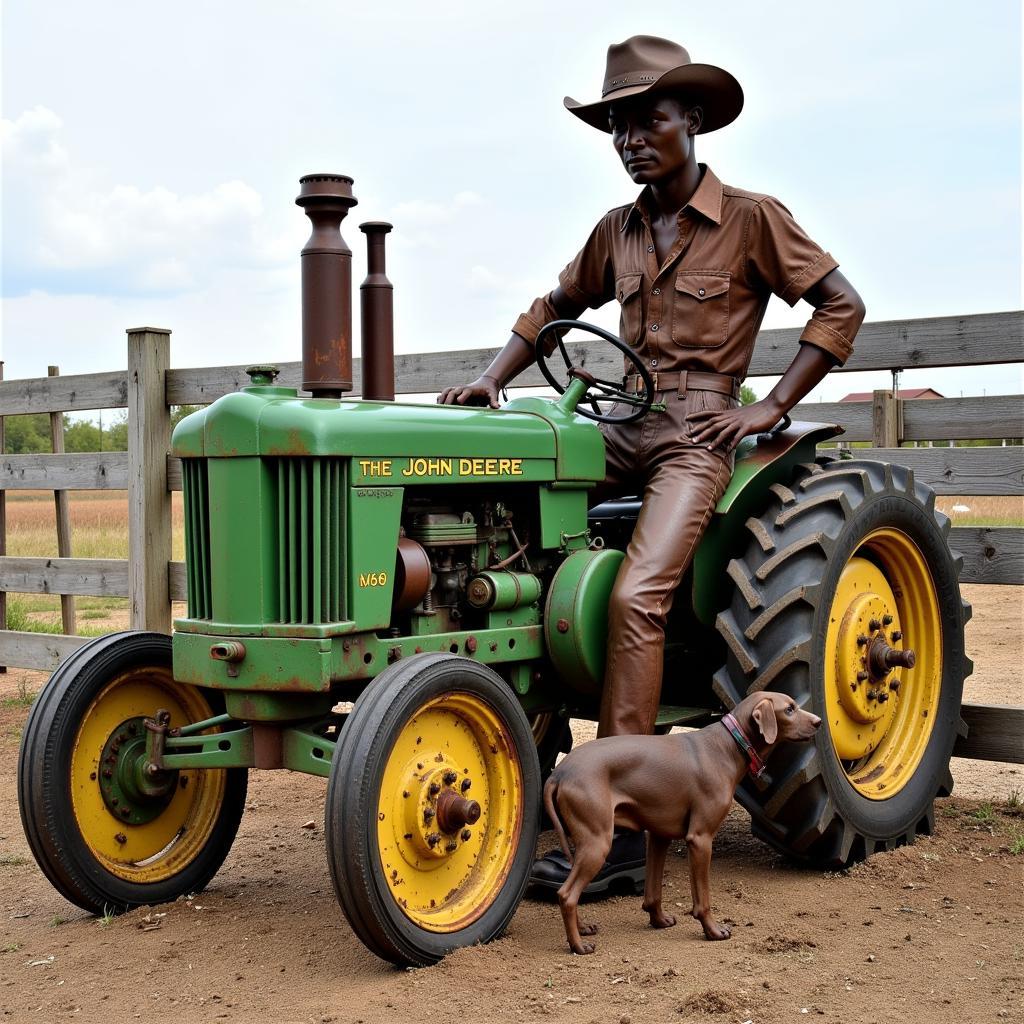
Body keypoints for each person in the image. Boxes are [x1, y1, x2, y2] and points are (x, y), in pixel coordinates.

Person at [439, 35, 866, 893]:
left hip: (698, 434)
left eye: (647, 120)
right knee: (490, 528)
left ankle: (628, 828)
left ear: (692, 121)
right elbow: (554, 306)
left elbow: (839, 305)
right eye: (617, 127)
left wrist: (768, 408)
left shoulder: (752, 217)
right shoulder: (617, 230)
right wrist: (490, 381)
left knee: (639, 596)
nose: (631, 139)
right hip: (615, 419)